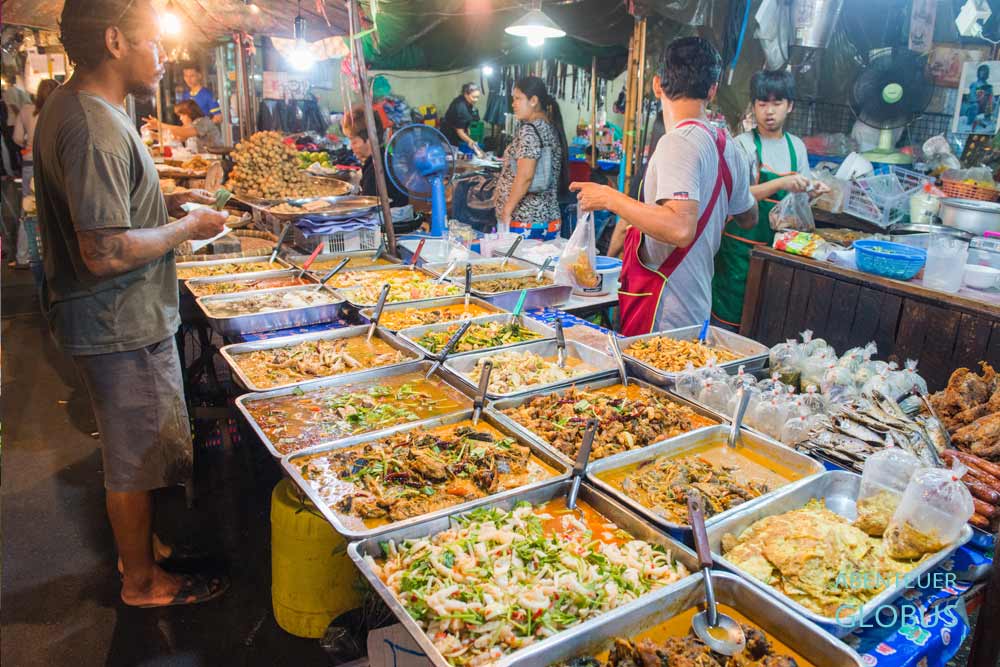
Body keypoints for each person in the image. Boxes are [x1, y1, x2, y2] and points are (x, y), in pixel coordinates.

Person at [35, 0, 231, 608]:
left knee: (134, 450)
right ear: (116, 41)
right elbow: (104, 250)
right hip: (117, 318)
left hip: (111, 315)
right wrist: (187, 230)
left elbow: (111, 215)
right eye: (152, 41)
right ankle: (142, 582)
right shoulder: (92, 124)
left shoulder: (84, 108)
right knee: (134, 457)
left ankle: (142, 551)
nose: (162, 54)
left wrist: (167, 207)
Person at [572, 37, 757, 335]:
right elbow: (749, 217)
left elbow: (680, 229)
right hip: (695, 305)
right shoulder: (728, 146)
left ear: (657, 84)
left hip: (663, 313)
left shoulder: (677, 143)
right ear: (712, 89)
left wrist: (609, 197)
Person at [711, 70, 826, 330]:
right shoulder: (743, 145)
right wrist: (782, 182)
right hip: (740, 250)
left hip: (780, 251)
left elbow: (797, 204)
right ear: (753, 106)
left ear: (790, 106)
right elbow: (735, 196)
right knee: (729, 321)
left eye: (777, 104)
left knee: (767, 319)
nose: (769, 112)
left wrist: (810, 191)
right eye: (762, 104)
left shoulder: (796, 146)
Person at [494, 76, 569, 240]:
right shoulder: (550, 127)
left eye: (518, 99)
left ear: (533, 100)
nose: (513, 104)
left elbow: (525, 177)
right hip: (549, 218)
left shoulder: (530, 130)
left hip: (525, 220)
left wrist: (507, 209)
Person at [10, 79, 59, 268]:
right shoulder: (59, 111)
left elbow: (16, 138)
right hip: (53, 161)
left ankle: (23, 255)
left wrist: (27, 145)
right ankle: (53, 256)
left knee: (29, 209)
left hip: (31, 162)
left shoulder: (26, 111)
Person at [350, 124, 407, 207]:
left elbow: (367, 205)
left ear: (369, 140)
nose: (351, 147)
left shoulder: (375, 169)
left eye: (354, 142)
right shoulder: (383, 156)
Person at [142, 99, 222, 150]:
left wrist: (160, 125)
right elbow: (175, 138)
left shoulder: (204, 122)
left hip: (213, 161)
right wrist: (154, 135)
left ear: (190, 113)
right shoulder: (190, 125)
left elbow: (184, 132)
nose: (181, 119)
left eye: (182, 115)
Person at [441, 83, 482, 152]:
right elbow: (459, 131)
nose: (476, 100)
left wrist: (467, 129)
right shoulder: (461, 107)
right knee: (453, 159)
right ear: (466, 94)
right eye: (474, 97)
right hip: (449, 140)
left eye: (477, 97)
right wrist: (470, 141)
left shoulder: (465, 100)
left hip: (455, 137)